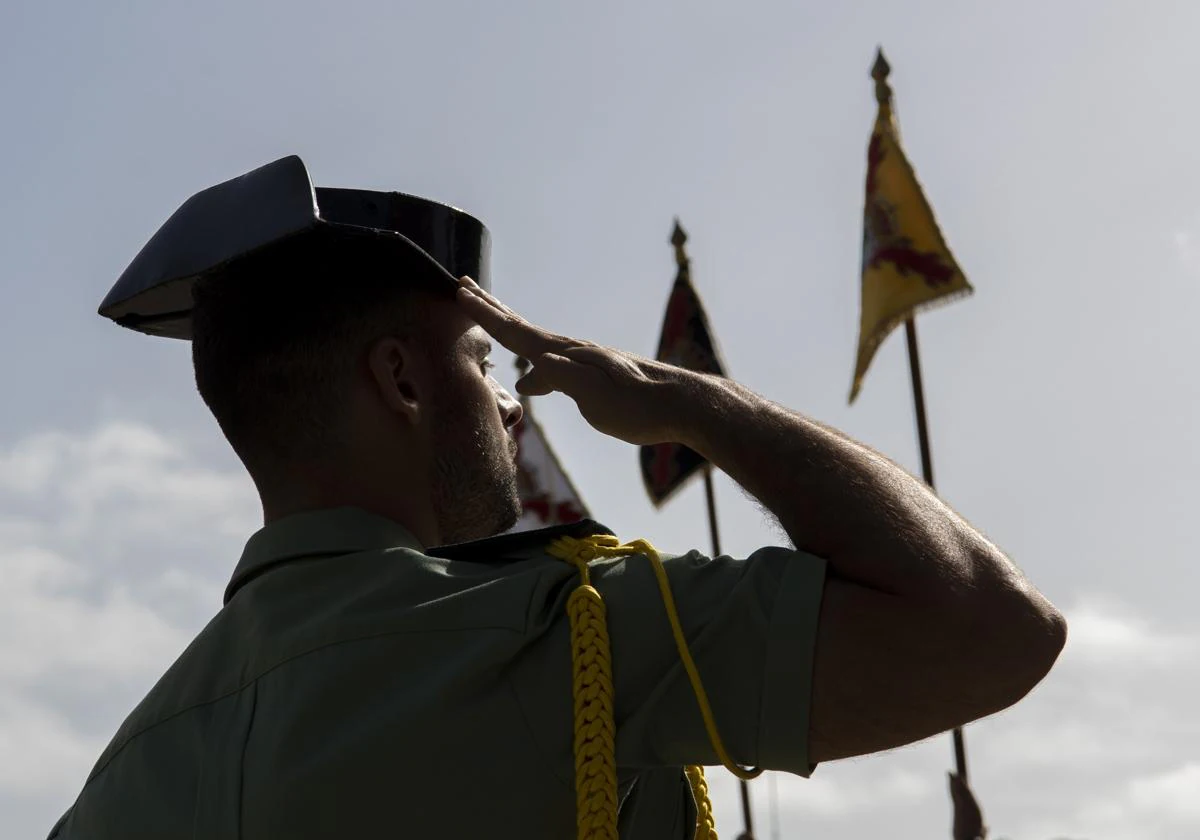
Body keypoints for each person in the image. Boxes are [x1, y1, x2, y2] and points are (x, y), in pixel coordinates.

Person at [48, 157, 1066, 839]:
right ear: (402, 382)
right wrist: (695, 407)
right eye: (486, 362)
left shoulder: (118, 784)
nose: (509, 406)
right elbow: (991, 628)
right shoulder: (564, 636)